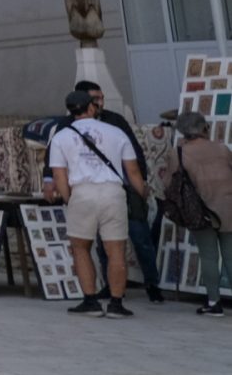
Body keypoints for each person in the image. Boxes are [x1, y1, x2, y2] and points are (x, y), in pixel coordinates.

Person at [46, 87, 149, 318]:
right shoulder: (115, 132)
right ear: (92, 107)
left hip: (82, 192)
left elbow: (59, 175)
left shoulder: (61, 137)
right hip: (112, 192)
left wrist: (68, 198)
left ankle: (90, 300)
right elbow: (132, 170)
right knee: (116, 250)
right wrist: (143, 193)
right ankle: (116, 302)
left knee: (81, 248)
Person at [76, 81, 164, 303]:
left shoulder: (115, 120)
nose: (100, 102)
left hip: (124, 188)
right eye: (95, 99)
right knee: (104, 242)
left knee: (140, 236)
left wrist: (140, 183)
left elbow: (134, 152)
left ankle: (152, 283)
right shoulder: (72, 126)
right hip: (96, 191)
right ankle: (113, 286)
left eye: (101, 97)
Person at [159, 110, 232, 315]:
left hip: (201, 211)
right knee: (230, 256)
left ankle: (214, 303)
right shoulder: (222, 148)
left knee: (209, 256)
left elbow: (169, 183)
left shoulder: (179, 153)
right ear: (204, 128)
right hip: (228, 208)